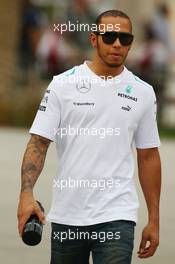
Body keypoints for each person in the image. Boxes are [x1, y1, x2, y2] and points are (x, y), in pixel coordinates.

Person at [17, 10, 161, 264]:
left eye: (125, 39)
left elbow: (148, 156)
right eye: (110, 36)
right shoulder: (63, 85)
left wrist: (154, 219)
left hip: (118, 216)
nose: (117, 43)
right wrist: (26, 193)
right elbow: (39, 142)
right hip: (67, 216)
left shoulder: (143, 92)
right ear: (94, 39)